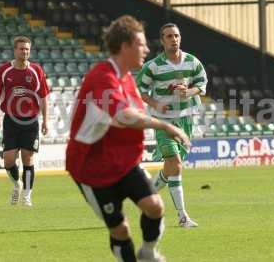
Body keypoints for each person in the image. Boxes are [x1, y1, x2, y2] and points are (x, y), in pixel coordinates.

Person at [66, 15, 190, 262]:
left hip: (122, 161)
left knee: (155, 207)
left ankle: (148, 252)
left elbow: (134, 115)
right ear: (125, 46)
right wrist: (165, 125)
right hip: (91, 168)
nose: (146, 49)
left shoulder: (127, 79)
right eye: (141, 44)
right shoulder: (102, 76)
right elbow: (125, 115)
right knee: (120, 229)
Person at [136, 23, 208, 228]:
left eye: (176, 35)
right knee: (175, 164)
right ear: (162, 40)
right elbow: (139, 90)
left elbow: (202, 85)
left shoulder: (192, 62)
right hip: (163, 121)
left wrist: (189, 92)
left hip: (186, 119)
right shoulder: (153, 66)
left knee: (171, 168)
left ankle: (147, 193)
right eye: (169, 36)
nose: (173, 39)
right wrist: (155, 103)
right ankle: (182, 216)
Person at [0, 36, 49, 206]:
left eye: (27, 49)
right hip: (11, 120)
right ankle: (17, 184)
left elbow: (44, 98)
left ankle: (27, 196)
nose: (25, 52)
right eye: (22, 49)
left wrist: (46, 121)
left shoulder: (36, 71)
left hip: (30, 121)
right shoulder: (4, 70)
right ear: (15, 50)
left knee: (27, 159)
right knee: (8, 160)